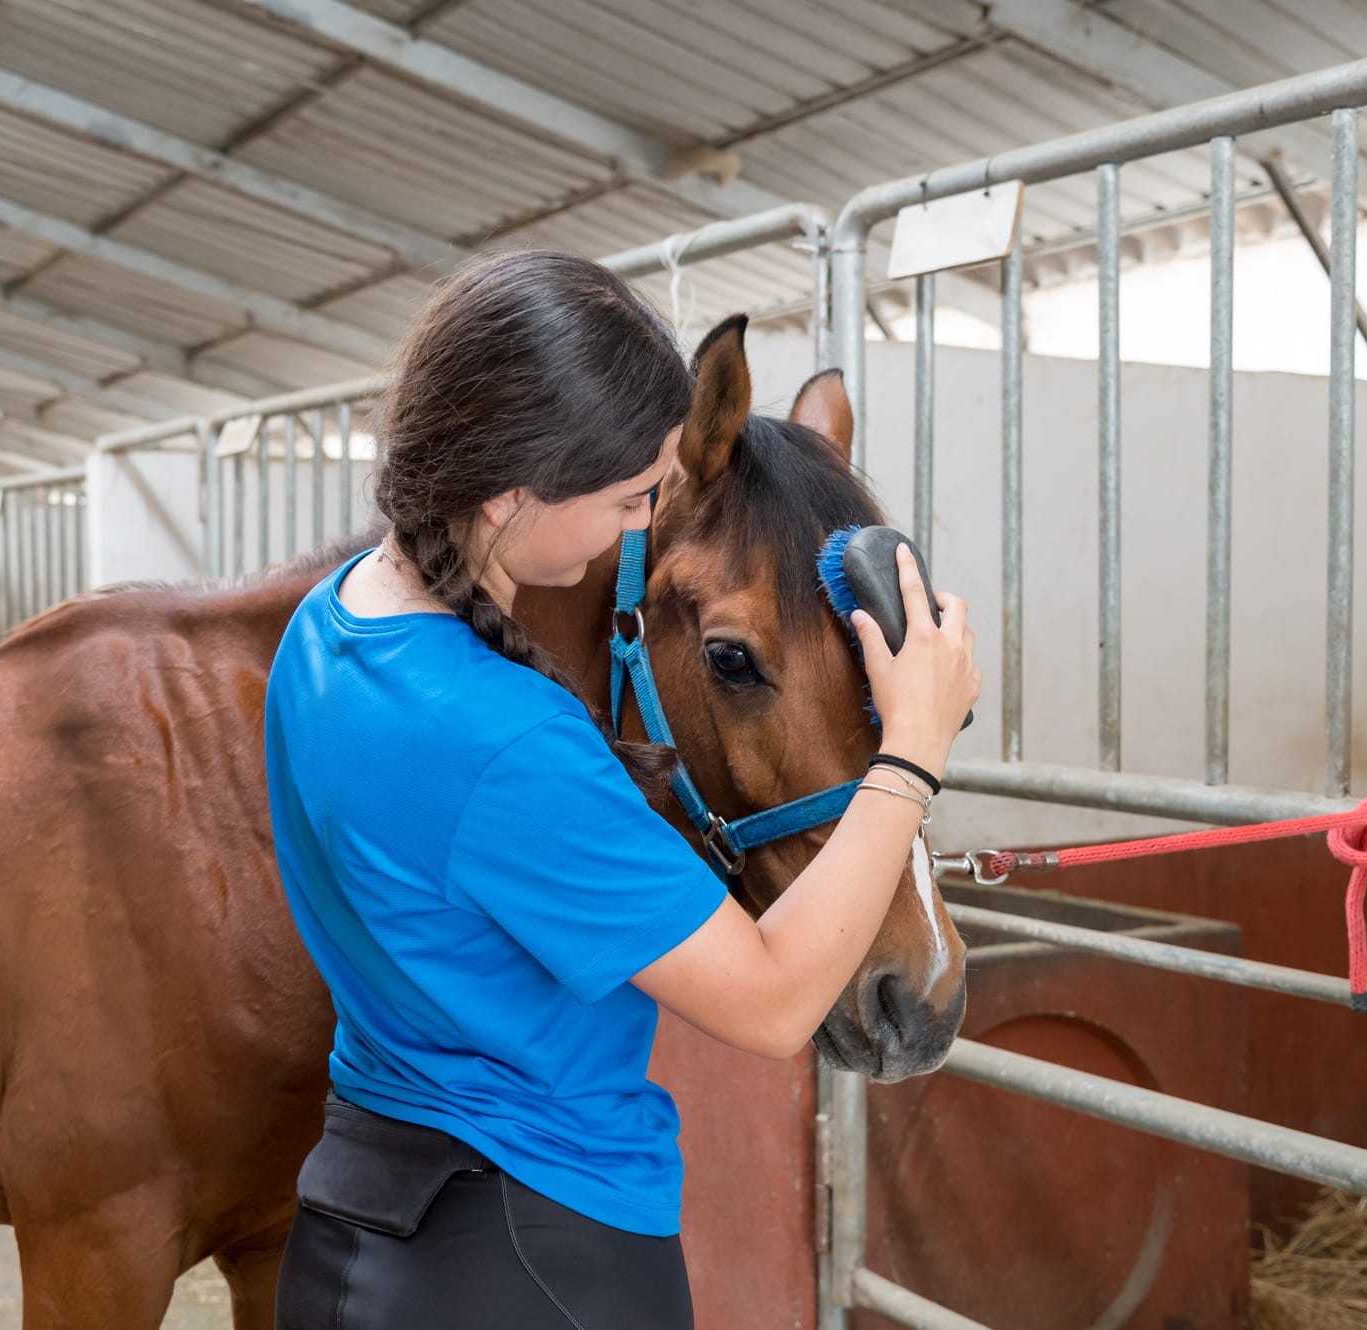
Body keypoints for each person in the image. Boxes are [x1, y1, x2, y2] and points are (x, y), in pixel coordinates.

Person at [264, 249, 980, 1329]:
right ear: (512, 492)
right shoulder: (507, 742)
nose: (639, 527)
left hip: (354, 1230)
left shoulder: (328, 625)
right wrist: (910, 751)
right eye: (628, 498)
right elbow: (778, 1001)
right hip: (540, 1261)